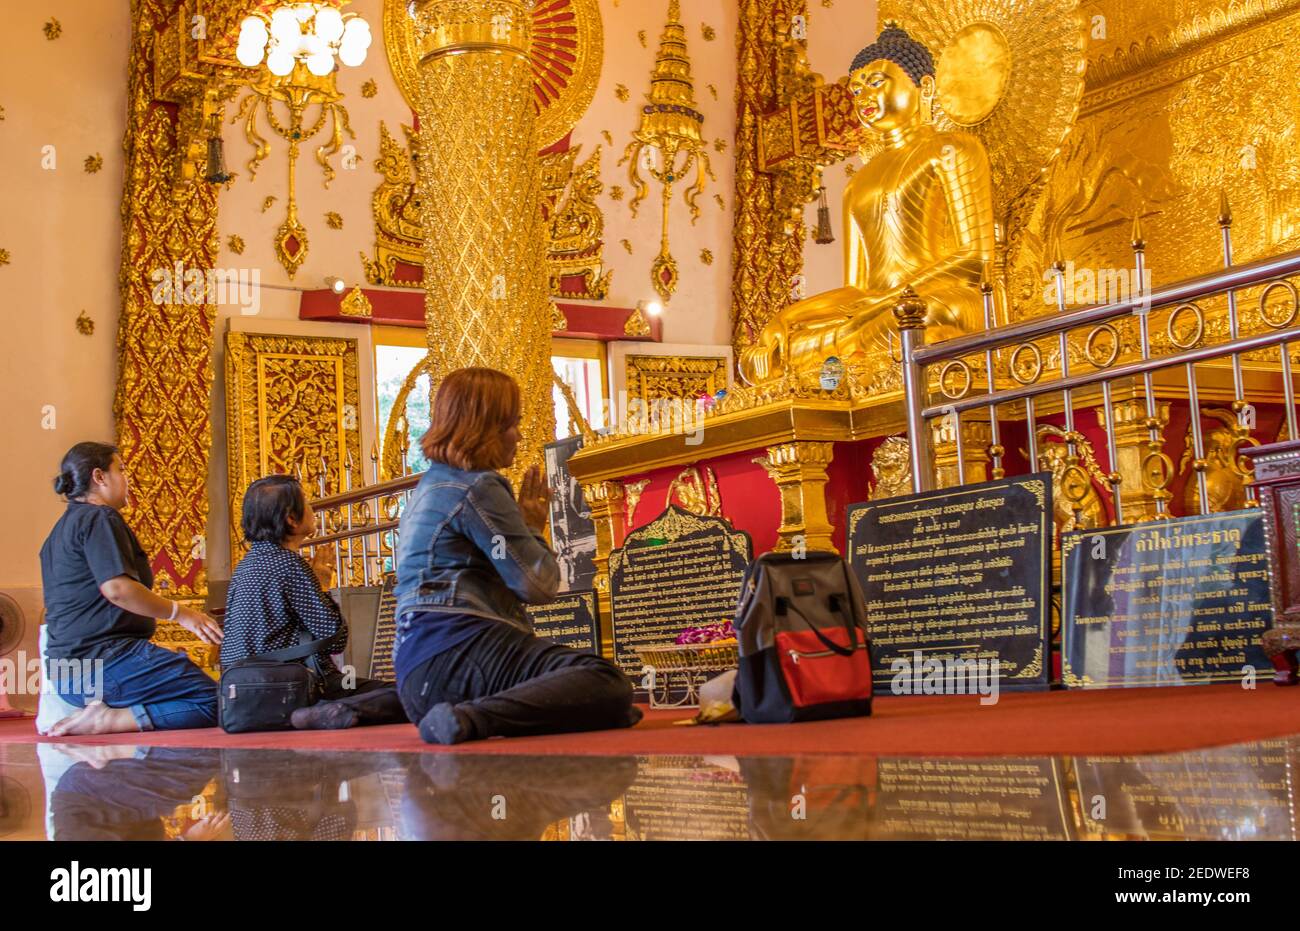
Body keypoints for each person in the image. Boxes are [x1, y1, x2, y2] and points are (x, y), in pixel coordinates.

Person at [392, 367, 641, 744]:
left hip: (416, 672)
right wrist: (532, 525)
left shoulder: (428, 487)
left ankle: (455, 715)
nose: (519, 435)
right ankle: (472, 719)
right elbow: (538, 585)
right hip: (458, 651)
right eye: (513, 424)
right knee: (606, 680)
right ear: (486, 427)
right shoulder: (478, 486)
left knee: (599, 699)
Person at [39, 442, 221, 735]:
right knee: (217, 702)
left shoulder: (57, 533)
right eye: (121, 470)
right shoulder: (98, 517)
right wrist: (182, 614)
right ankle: (109, 720)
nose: (127, 479)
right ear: (99, 477)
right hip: (104, 663)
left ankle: (109, 715)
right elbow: (117, 589)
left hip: (66, 677)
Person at [221, 475, 406, 729]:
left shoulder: (245, 566)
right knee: (402, 693)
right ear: (291, 518)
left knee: (365, 687)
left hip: (246, 693)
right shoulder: (288, 563)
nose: (312, 509)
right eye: (306, 503)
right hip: (296, 686)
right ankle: (330, 711)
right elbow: (335, 638)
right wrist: (321, 583)